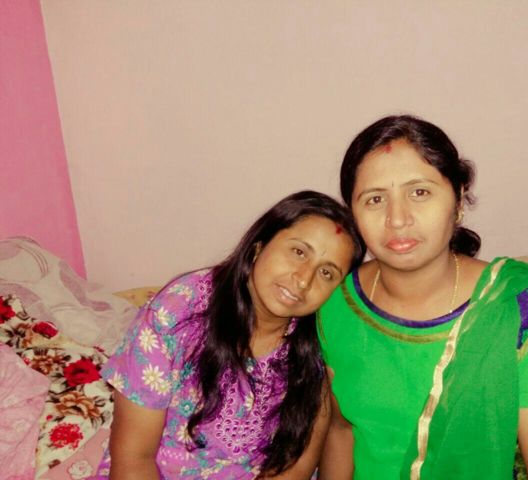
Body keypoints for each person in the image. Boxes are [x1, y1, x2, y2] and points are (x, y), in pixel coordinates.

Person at [317, 115, 528, 479]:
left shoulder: (520, 313)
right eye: (375, 199)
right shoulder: (338, 304)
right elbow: (341, 431)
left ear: (458, 201)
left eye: (419, 192)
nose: (397, 219)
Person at [97, 190, 366, 480]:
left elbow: (295, 466)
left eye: (326, 273)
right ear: (259, 246)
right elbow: (134, 457)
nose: (303, 279)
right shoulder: (178, 311)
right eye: (298, 252)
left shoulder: (320, 344)